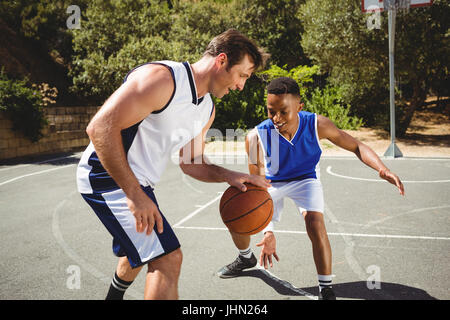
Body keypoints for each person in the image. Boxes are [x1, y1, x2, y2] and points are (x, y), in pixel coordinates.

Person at [76, 29, 271, 300]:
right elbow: (99, 129)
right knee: (168, 259)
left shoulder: (206, 108)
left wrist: (231, 175)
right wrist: (135, 195)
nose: (241, 86)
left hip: (139, 184)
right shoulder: (163, 79)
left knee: (142, 253)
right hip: (105, 177)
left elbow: (191, 163)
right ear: (222, 60)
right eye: (242, 75)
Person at [217, 77, 405, 300]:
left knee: (315, 224)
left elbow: (357, 145)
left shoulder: (318, 125)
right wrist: (268, 231)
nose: (276, 118)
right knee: (237, 215)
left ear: (299, 107)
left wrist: (382, 169)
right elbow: (257, 184)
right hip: (271, 183)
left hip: (305, 180)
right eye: (271, 111)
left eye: (283, 112)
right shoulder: (255, 137)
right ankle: (246, 256)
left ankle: (326, 288)